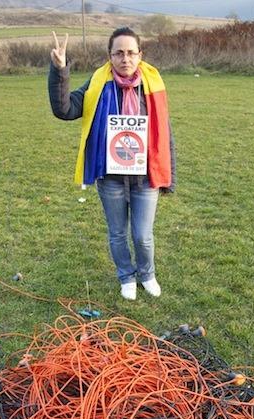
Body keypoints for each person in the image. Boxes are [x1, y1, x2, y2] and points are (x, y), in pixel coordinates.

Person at [48, 27, 175, 300]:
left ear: (140, 55)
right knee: (118, 233)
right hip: (111, 177)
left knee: (142, 235)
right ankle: (126, 276)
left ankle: (147, 274)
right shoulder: (97, 84)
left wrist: (168, 176)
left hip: (145, 178)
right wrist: (59, 70)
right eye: (119, 53)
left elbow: (165, 134)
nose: (125, 59)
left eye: (131, 53)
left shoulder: (153, 86)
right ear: (110, 56)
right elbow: (64, 109)